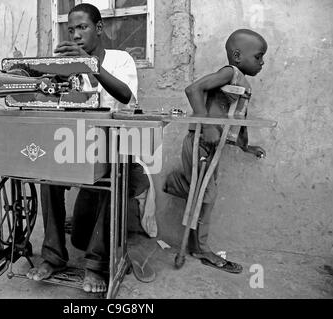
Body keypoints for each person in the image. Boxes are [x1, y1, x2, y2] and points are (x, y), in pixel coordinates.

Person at [26, 3, 149, 293]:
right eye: (71, 30)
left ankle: (96, 266)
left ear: (99, 28)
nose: (76, 34)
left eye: (82, 27)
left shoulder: (121, 60)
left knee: (115, 176)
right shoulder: (68, 66)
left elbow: (125, 95)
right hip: (76, 143)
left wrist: (89, 63)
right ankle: (53, 256)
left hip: (114, 145)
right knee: (47, 177)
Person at [164, 29, 268, 273]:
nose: (262, 62)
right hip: (201, 141)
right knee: (206, 196)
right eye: (259, 56)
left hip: (213, 146)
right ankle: (200, 247)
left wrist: (245, 146)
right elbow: (193, 90)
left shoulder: (243, 82)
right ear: (237, 55)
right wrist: (208, 126)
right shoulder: (229, 73)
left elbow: (238, 120)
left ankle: (178, 184)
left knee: (204, 194)